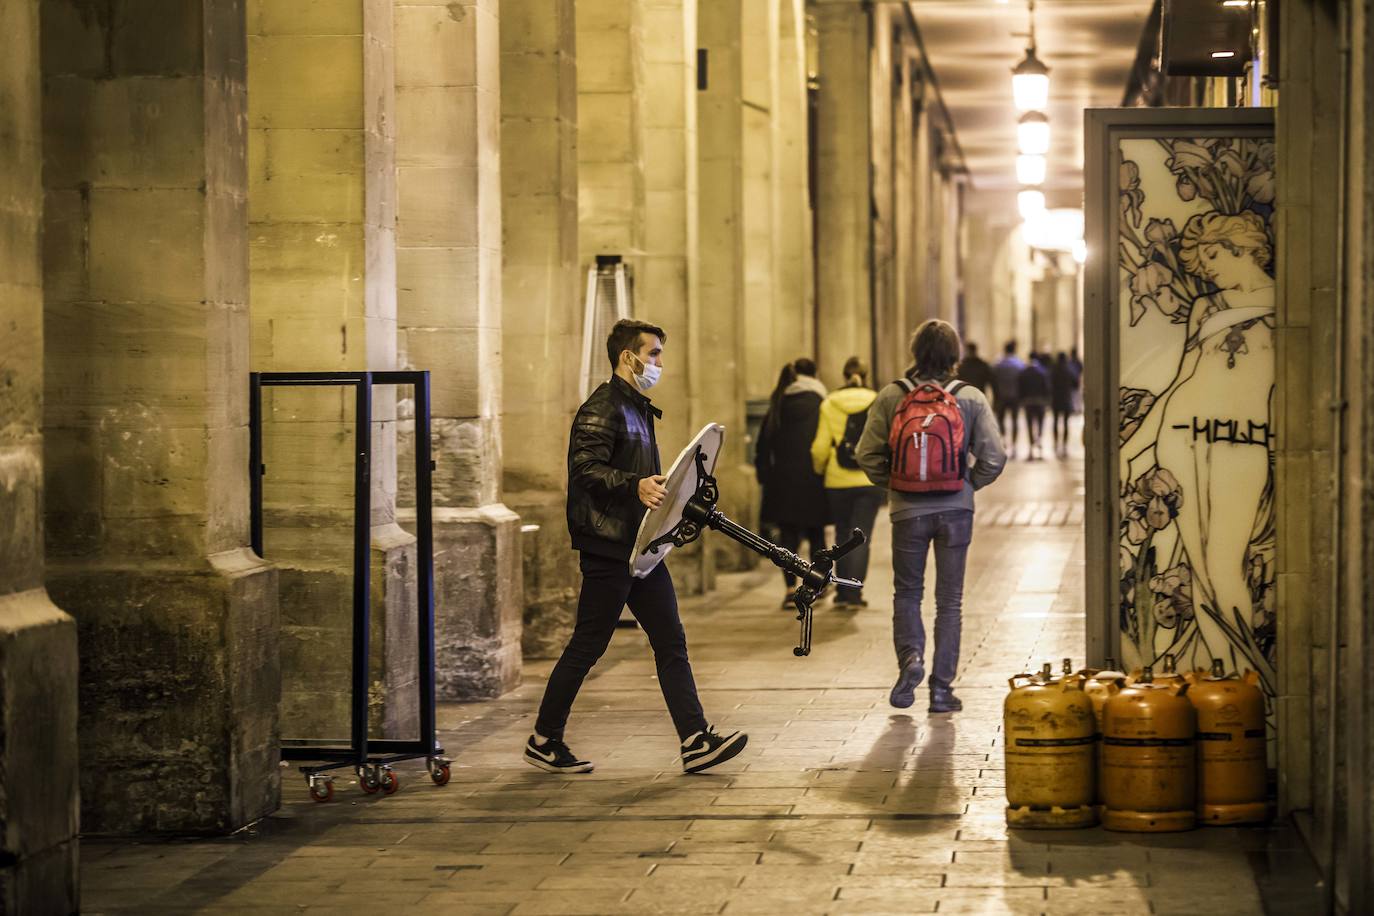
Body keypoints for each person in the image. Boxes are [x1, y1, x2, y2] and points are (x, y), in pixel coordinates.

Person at [525, 318, 747, 775]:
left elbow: (641, 480)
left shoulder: (636, 408)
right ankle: (545, 739)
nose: (659, 363)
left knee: (670, 640)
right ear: (628, 357)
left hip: (640, 548)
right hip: (610, 550)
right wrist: (634, 484)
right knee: (588, 644)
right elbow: (584, 469)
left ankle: (694, 739)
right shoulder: (601, 408)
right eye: (654, 353)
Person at [856, 320, 1006, 714]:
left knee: (907, 593)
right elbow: (995, 456)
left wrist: (896, 484)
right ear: (954, 355)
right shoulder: (969, 397)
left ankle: (911, 660)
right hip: (956, 509)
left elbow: (866, 453)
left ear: (915, 352)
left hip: (907, 510)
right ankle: (941, 689)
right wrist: (967, 483)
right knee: (950, 601)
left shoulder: (892, 396)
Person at [756, 358, 829, 608]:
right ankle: (815, 587)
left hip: (782, 482)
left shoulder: (778, 403)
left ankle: (789, 589)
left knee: (787, 540)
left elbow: (763, 446)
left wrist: (765, 478)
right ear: (815, 375)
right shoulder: (822, 403)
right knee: (816, 536)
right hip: (814, 480)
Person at [809, 357, 882, 609]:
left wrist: (821, 470)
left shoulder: (829, 403)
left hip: (837, 481)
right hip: (869, 478)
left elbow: (820, 447)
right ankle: (854, 593)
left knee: (842, 534)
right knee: (862, 537)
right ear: (866, 374)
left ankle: (842, 590)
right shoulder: (877, 400)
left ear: (844, 375)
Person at [991, 341, 1025, 457]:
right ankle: (1014, 445)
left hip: (1001, 396)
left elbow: (993, 381)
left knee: (1001, 420)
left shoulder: (998, 364)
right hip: (1015, 396)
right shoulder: (1020, 364)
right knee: (1015, 420)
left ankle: (1004, 440)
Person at [1017, 352, 1051, 461]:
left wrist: (1021, 400)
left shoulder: (1024, 372)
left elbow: (1020, 388)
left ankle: (1031, 449)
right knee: (1040, 424)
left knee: (1029, 425)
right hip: (1040, 401)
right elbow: (1047, 387)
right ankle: (1040, 446)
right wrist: (1047, 400)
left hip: (1028, 402)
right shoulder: (1043, 371)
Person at [1050, 352, 1078, 458]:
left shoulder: (1054, 370)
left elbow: (1049, 383)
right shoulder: (1069, 370)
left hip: (1056, 400)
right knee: (1066, 423)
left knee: (1056, 421)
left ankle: (1056, 443)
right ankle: (1065, 444)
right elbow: (1075, 383)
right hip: (1066, 399)